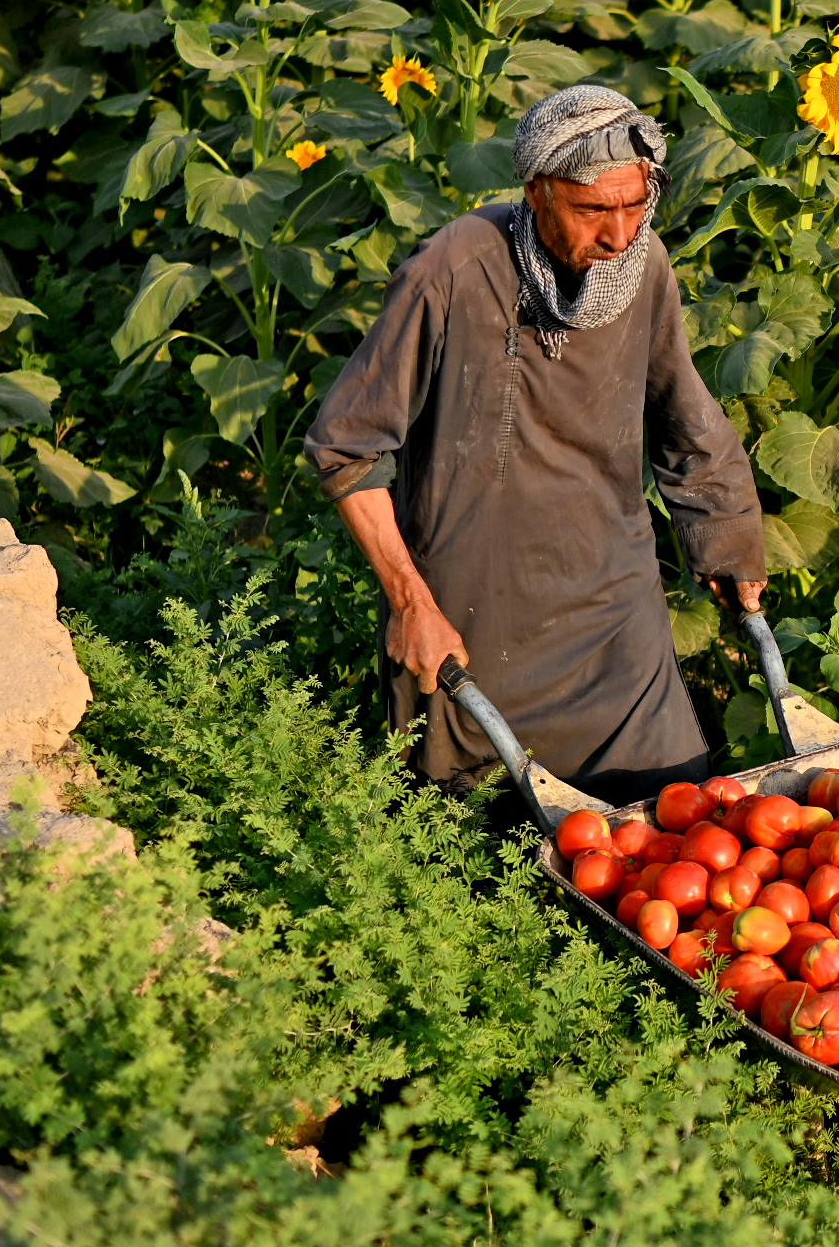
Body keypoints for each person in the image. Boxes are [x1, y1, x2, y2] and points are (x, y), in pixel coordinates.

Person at [304, 83, 766, 806]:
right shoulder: (455, 270)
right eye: (593, 211)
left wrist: (727, 537)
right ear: (538, 191)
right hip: (479, 616)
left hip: (614, 611)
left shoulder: (640, 266)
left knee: (668, 822)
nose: (618, 234)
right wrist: (409, 602)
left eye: (634, 204)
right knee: (475, 847)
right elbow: (345, 448)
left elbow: (685, 414)